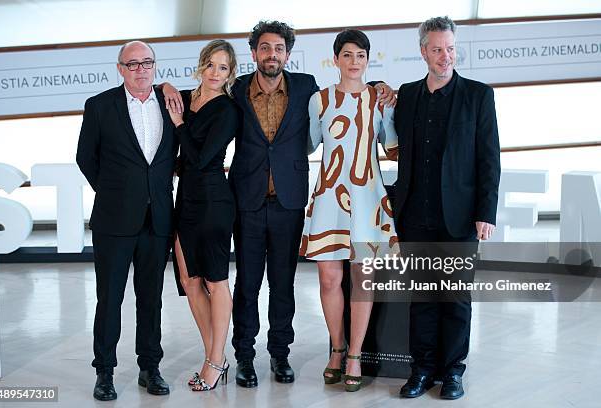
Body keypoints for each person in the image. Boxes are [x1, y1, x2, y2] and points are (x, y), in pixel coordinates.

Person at [161, 20, 395, 388]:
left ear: (287, 53)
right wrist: (166, 85)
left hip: (289, 201)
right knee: (247, 285)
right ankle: (244, 358)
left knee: (283, 285)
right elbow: (202, 90)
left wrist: (381, 88)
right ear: (254, 53)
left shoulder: (306, 89)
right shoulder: (234, 88)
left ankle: (280, 355)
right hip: (246, 200)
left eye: (279, 49)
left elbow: (351, 92)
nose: (272, 55)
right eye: (265, 48)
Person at [389, 16, 500, 400]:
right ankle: (421, 371)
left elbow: (489, 159)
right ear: (423, 51)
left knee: (454, 298)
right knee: (421, 298)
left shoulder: (478, 95)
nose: (445, 56)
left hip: (460, 217)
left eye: (450, 48)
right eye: (437, 49)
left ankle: (453, 371)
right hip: (415, 215)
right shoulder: (406, 95)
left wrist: (486, 212)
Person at [76, 41, 177, 401]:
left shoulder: (171, 103)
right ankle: (104, 372)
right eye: (132, 64)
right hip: (114, 220)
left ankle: (150, 367)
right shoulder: (100, 106)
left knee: (151, 299)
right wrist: (116, 192)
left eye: (147, 62)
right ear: (120, 68)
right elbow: (86, 157)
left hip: (158, 219)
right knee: (110, 299)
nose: (140, 69)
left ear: (155, 66)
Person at [299, 29, 398, 392]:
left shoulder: (380, 99)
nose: (354, 62)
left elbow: (392, 145)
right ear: (336, 59)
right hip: (329, 198)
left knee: (363, 279)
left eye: (361, 55)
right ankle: (337, 348)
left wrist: (394, 100)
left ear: (367, 60)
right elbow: (309, 142)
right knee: (328, 278)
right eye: (347, 55)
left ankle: (355, 353)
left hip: (368, 200)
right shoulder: (319, 101)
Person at [167, 39, 239, 392]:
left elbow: (202, 158)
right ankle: (217, 356)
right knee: (189, 280)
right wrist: (166, 87)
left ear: (230, 74)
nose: (214, 73)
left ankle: (214, 361)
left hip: (213, 201)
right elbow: (158, 89)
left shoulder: (227, 110)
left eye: (222, 68)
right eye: (210, 64)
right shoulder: (187, 97)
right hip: (186, 202)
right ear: (201, 65)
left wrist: (179, 123)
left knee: (214, 281)